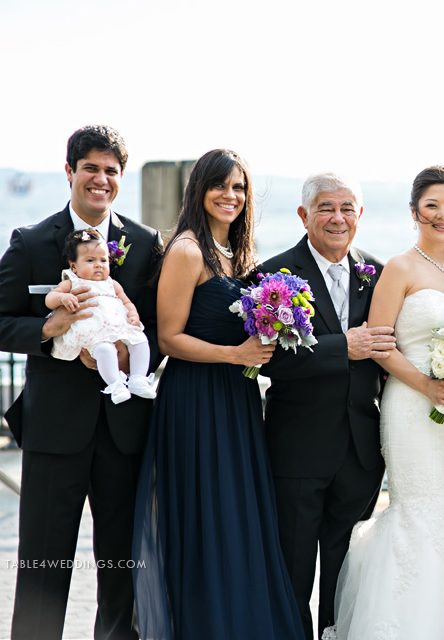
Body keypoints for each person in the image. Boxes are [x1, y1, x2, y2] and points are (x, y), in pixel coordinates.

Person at [0, 125, 162, 640]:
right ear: (70, 172)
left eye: (111, 171)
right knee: (43, 568)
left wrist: (128, 354)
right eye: (91, 169)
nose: (100, 180)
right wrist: (47, 328)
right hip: (55, 432)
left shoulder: (145, 245)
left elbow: (162, 327)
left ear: (120, 178)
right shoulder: (32, 241)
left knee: (123, 572)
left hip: (125, 430)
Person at [131, 149, 304, 639]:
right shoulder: (187, 250)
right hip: (195, 400)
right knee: (209, 517)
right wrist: (236, 356)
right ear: (199, 189)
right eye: (221, 186)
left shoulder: (238, 253)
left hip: (237, 400)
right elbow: (168, 338)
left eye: (239, 188)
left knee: (238, 516)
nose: (231, 196)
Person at [330, 166, 444, 639]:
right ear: (415, 212)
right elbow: (379, 343)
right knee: (417, 512)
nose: (442, 214)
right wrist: (427, 385)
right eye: (432, 205)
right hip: (413, 408)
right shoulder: (400, 267)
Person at [259, 172, 395, 640]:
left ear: (359, 215)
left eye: (347, 209)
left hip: (360, 454)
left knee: (346, 578)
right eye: (325, 208)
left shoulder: (376, 274)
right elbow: (268, 359)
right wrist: (344, 347)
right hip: (296, 450)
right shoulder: (273, 276)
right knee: (293, 575)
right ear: (304, 215)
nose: (338, 218)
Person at [47, 228, 155, 404]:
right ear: (73, 265)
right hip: (93, 332)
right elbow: (50, 298)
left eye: (103, 260)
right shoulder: (72, 282)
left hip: (118, 327)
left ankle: (138, 378)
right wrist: (62, 297)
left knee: (140, 341)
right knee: (105, 351)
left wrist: (133, 315)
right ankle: (115, 384)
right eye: (90, 260)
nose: (98, 265)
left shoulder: (112, 284)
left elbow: (127, 302)